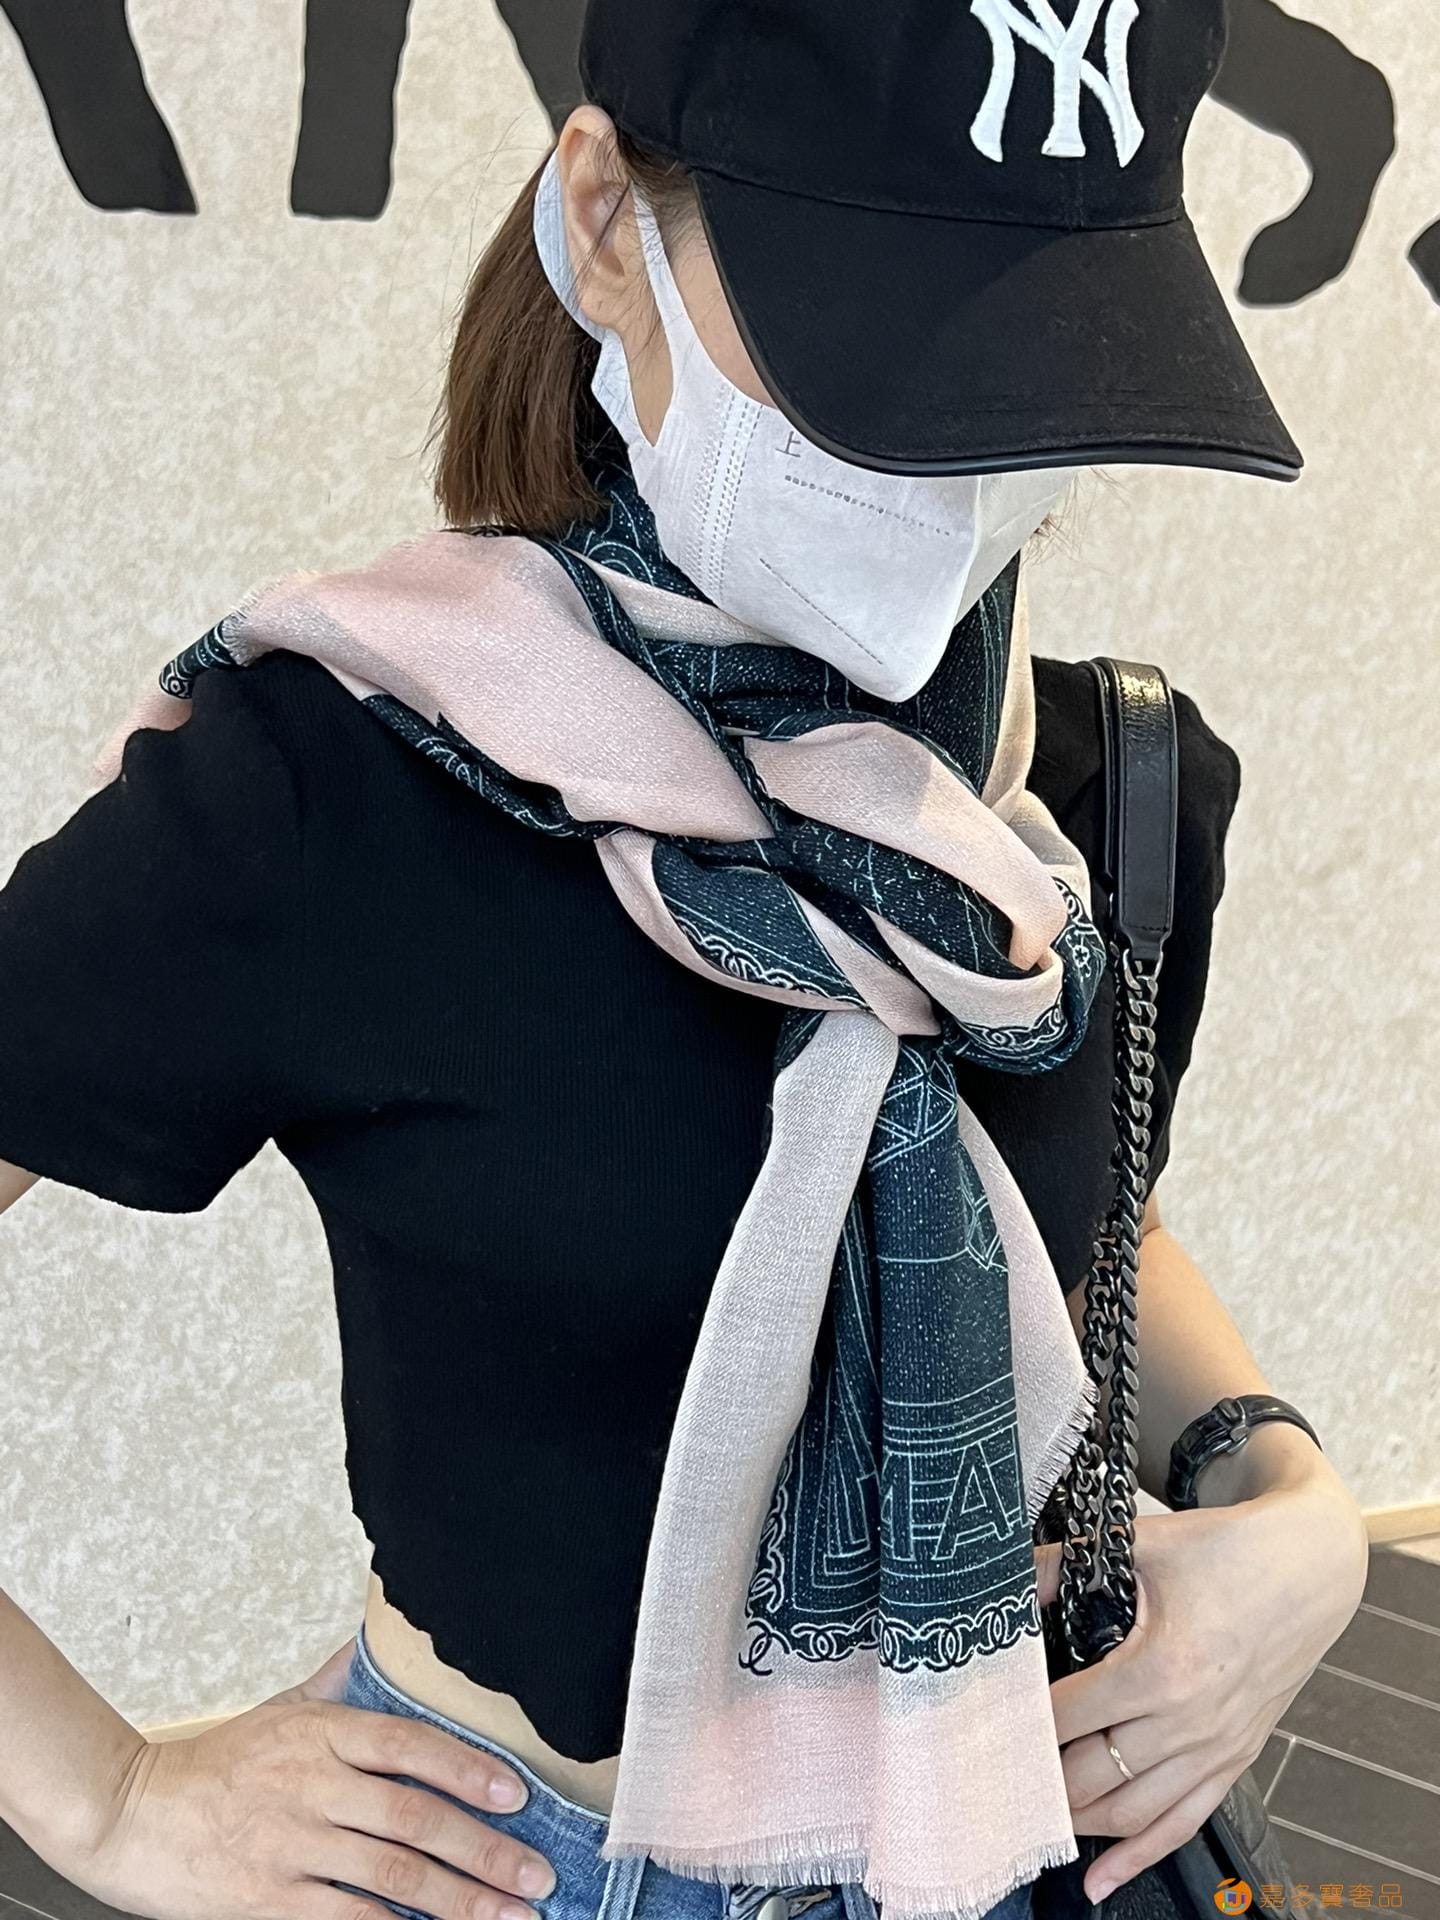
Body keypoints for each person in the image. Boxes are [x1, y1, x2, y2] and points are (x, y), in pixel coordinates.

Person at [0, 3, 1370, 1920]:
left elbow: (1089, 1221)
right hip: (517, 1868)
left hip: (1022, 1834)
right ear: (605, 219)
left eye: (1033, 361)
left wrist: (1288, 1506)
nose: (957, 458)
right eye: (874, 337)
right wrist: (107, 1797)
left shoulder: (1098, 799)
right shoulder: (337, 785)